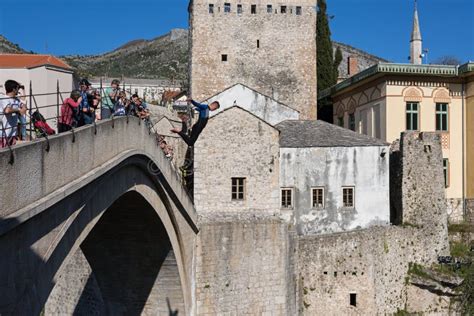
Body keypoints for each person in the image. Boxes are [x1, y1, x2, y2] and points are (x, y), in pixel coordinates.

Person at [0, 80, 27, 148]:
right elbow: (7, 110)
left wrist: (22, 108)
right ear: (13, 89)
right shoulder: (4, 98)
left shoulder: (16, 99)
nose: (18, 90)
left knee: (12, 153)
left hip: (13, 133)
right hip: (3, 134)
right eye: (17, 88)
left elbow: (23, 107)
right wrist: (18, 110)